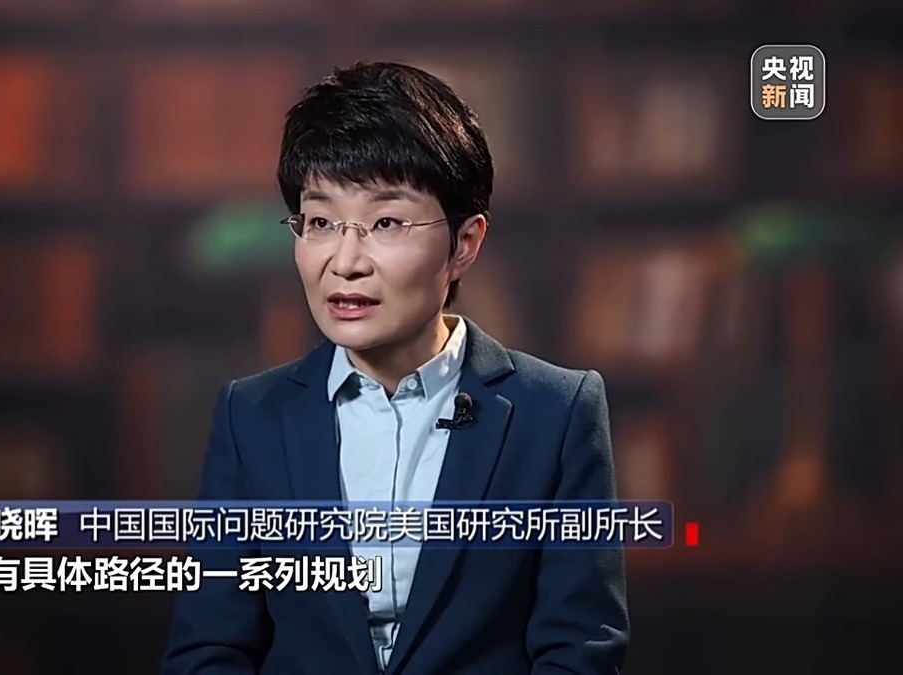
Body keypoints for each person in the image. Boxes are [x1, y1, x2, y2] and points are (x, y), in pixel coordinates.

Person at [162, 61, 629, 675]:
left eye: (386, 222)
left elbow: (580, 651)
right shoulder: (252, 416)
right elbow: (208, 648)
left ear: (464, 243)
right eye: (320, 222)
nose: (345, 262)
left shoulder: (557, 412)